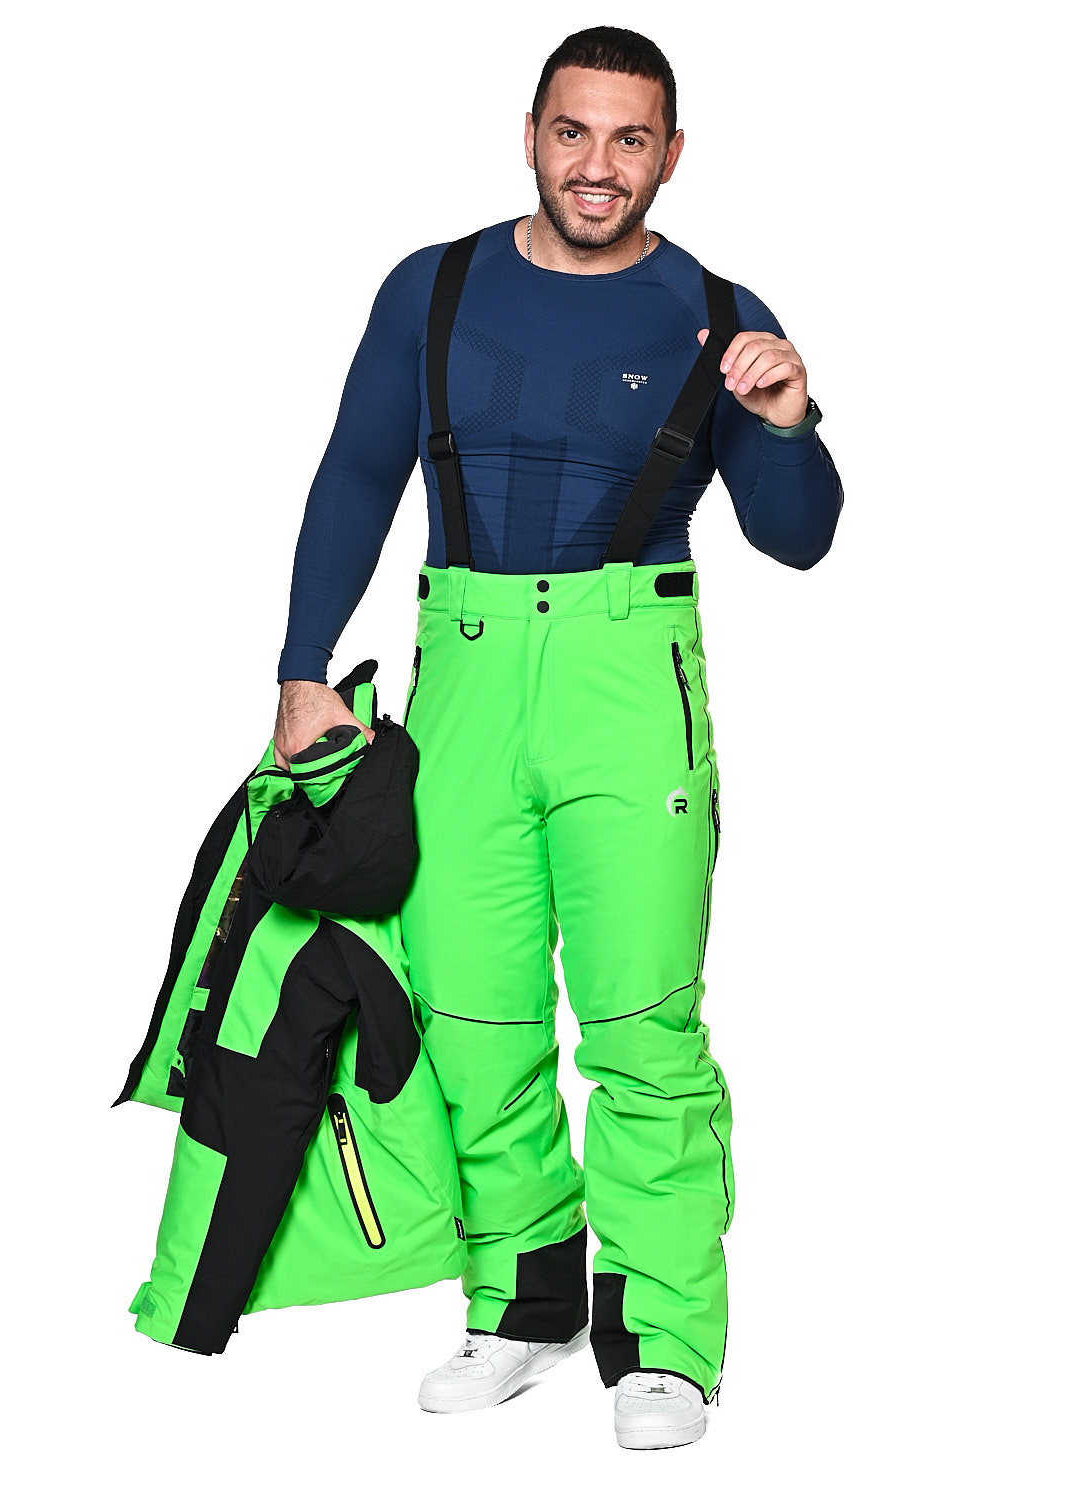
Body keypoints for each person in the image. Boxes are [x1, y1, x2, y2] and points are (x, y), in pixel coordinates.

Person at [272, 25, 843, 1451]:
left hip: (625, 677)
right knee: (470, 1011)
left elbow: (799, 538)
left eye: (629, 138)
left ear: (671, 153)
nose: (598, 165)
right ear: (529, 135)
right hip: (463, 666)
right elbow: (356, 471)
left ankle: (662, 1338)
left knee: (643, 1020)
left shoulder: (715, 312)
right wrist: (300, 671)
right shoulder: (434, 287)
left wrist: (786, 420)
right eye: (573, 132)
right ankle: (522, 1300)